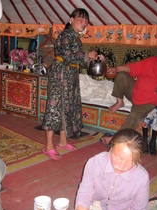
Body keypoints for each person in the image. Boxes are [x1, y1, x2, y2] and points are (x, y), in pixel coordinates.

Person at [53, 129, 149, 210]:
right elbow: (83, 198)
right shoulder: (95, 162)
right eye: (118, 157)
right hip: (94, 208)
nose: (122, 166)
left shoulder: (141, 178)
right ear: (111, 147)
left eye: (130, 162)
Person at [42, 8, 97, 160]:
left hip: (70, 75)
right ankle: (48, 147)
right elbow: (67, 56)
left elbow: (76, 59)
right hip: (60, 75)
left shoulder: (75, 36)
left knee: (67, 108)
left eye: (86, 21)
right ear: (71, 19)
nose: (84, 23)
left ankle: (62, 142)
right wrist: (87, 55)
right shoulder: (66, 35)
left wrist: (93, 58)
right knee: (55, 108)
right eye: (81, 19)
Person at [107, 40, 157, 130]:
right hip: (135, 93)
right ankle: (119, 102)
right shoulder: (153, 61)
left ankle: (117, 139)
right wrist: (116, 68)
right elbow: (132, 67)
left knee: (134, 115)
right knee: (122, 75)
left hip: (149, 103)